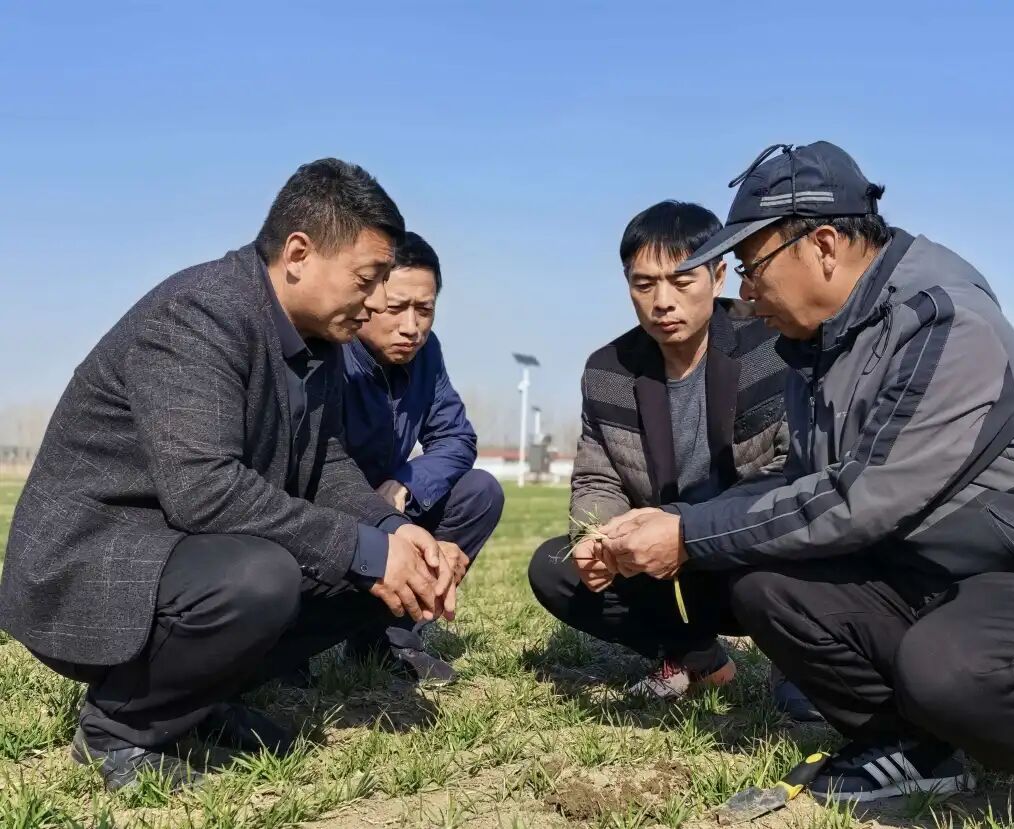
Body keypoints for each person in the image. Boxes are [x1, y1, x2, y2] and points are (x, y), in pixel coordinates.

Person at [597, 142, 1014, 819]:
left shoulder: (944, 320)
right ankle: (912, 748)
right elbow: (799, 481)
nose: (745, 291)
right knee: (767, 585)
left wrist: (687, 535)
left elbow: (862, 496)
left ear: (823, 246)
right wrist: (675, 520)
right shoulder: (820, 345)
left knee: (952, 665)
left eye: (752, 265)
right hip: (934, 567)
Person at [0, 159, 459, 791]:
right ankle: (120, 728)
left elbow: (323, 461)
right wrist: (365, 549)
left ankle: (199, 701)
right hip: (96, 560)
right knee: (264, 575)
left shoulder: (316, 340)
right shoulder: (200, 314)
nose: (379, 301)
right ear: (298, 253)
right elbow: (205, 490)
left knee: (361, 576)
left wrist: (391, 530)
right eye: (367, 279)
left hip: (180, 549)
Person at [528, 201, 817, 719]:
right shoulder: (608, 371)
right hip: (666, 566)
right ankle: (699, 660)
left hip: (754, 550)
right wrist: (594, 537)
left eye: (682, 281)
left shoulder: (772, 344)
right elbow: (598, 476)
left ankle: (796, 662)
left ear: (718, 275)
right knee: (555, 568)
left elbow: (795, 469)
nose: (663, 302)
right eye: (644, 284)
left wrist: (689, 529)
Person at [340, 231, 504, 684]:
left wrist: (407, 483)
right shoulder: (329, 352)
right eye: (396, 308)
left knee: (480, 492)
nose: (411, 327)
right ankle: (289, 644)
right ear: (366, 296)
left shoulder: (426, 354)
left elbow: (456, 437)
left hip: (393, 506)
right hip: (329, 509)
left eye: (425, 310)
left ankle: (388, 636)